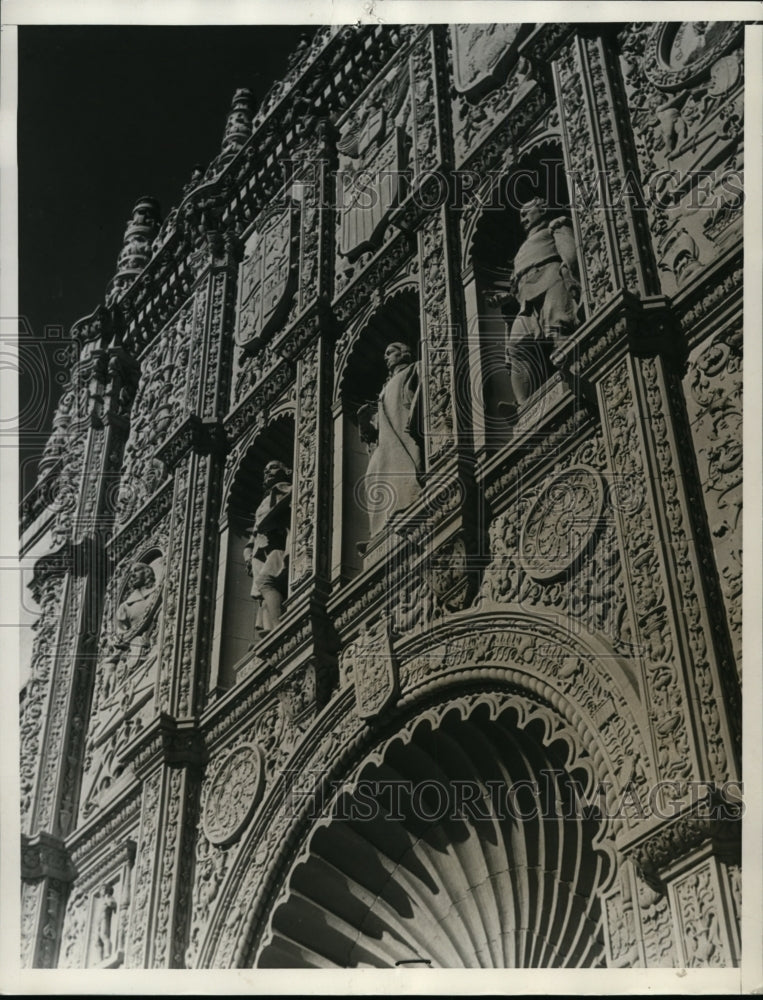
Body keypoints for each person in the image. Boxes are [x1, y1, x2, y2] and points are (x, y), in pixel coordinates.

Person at [503, 198, 581, 408]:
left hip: (550, 280)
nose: (522, 218)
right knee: (516, 346)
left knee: (558, 328)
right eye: (520, 215)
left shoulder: (554, 226)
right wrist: (507, 297)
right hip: (526, 299)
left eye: (527, 211)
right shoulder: (521, 251)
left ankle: (575, 374)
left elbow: (571, 253)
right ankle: (523, 406)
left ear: (543, 208)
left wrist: (570, 276)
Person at [358, 342, 423, 540]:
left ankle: (409, 505)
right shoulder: (386, 386)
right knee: (372, 475)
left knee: (403, 466)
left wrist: (415, 416)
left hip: (404, 430)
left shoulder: (414, 368)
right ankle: (383, 526)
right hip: (386, 438)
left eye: (390, 353)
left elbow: (423, 390)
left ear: (404, 353)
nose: (386, 357)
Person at [244, 461, 292, 638]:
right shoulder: (265, 499)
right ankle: (270, 628)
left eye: (273, 467)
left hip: (277, 547)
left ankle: (278, 625)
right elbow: (254, 535)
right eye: (265, 469)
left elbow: (290, 500)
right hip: (261, 552)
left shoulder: (282, 487)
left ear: (287, 470)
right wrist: (248, 553)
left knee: (266, 582)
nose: (267, 471)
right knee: (263, 594)